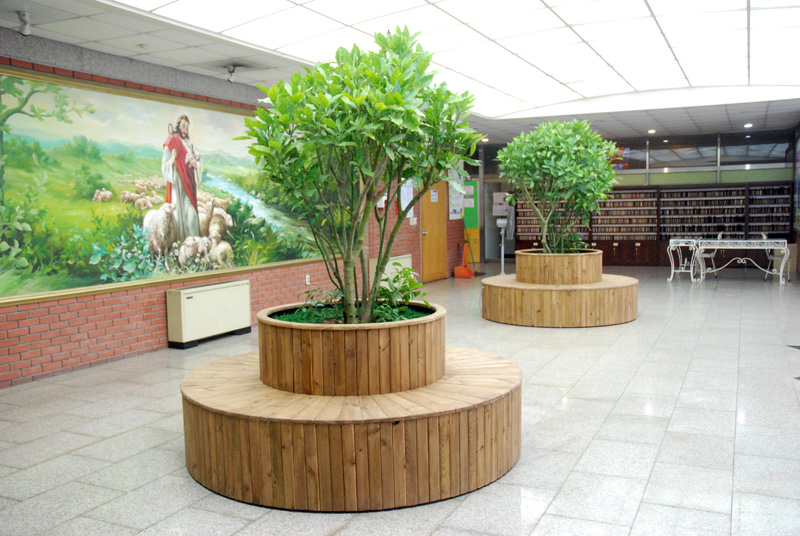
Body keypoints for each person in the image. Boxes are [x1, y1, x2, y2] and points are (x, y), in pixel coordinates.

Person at [162, 114, 202, 241]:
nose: (185, 129)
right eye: (183, 126)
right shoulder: (172, 140)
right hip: (177, 185)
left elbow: (198, 162)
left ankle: (194, 244)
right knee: (177, 216)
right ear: (178, 126)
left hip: (189, 186)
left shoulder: (190, 144)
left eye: (187, 127)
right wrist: (173, 159)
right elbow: (165, 166)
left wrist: (195, 164)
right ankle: (179, 245)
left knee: (192, 216)